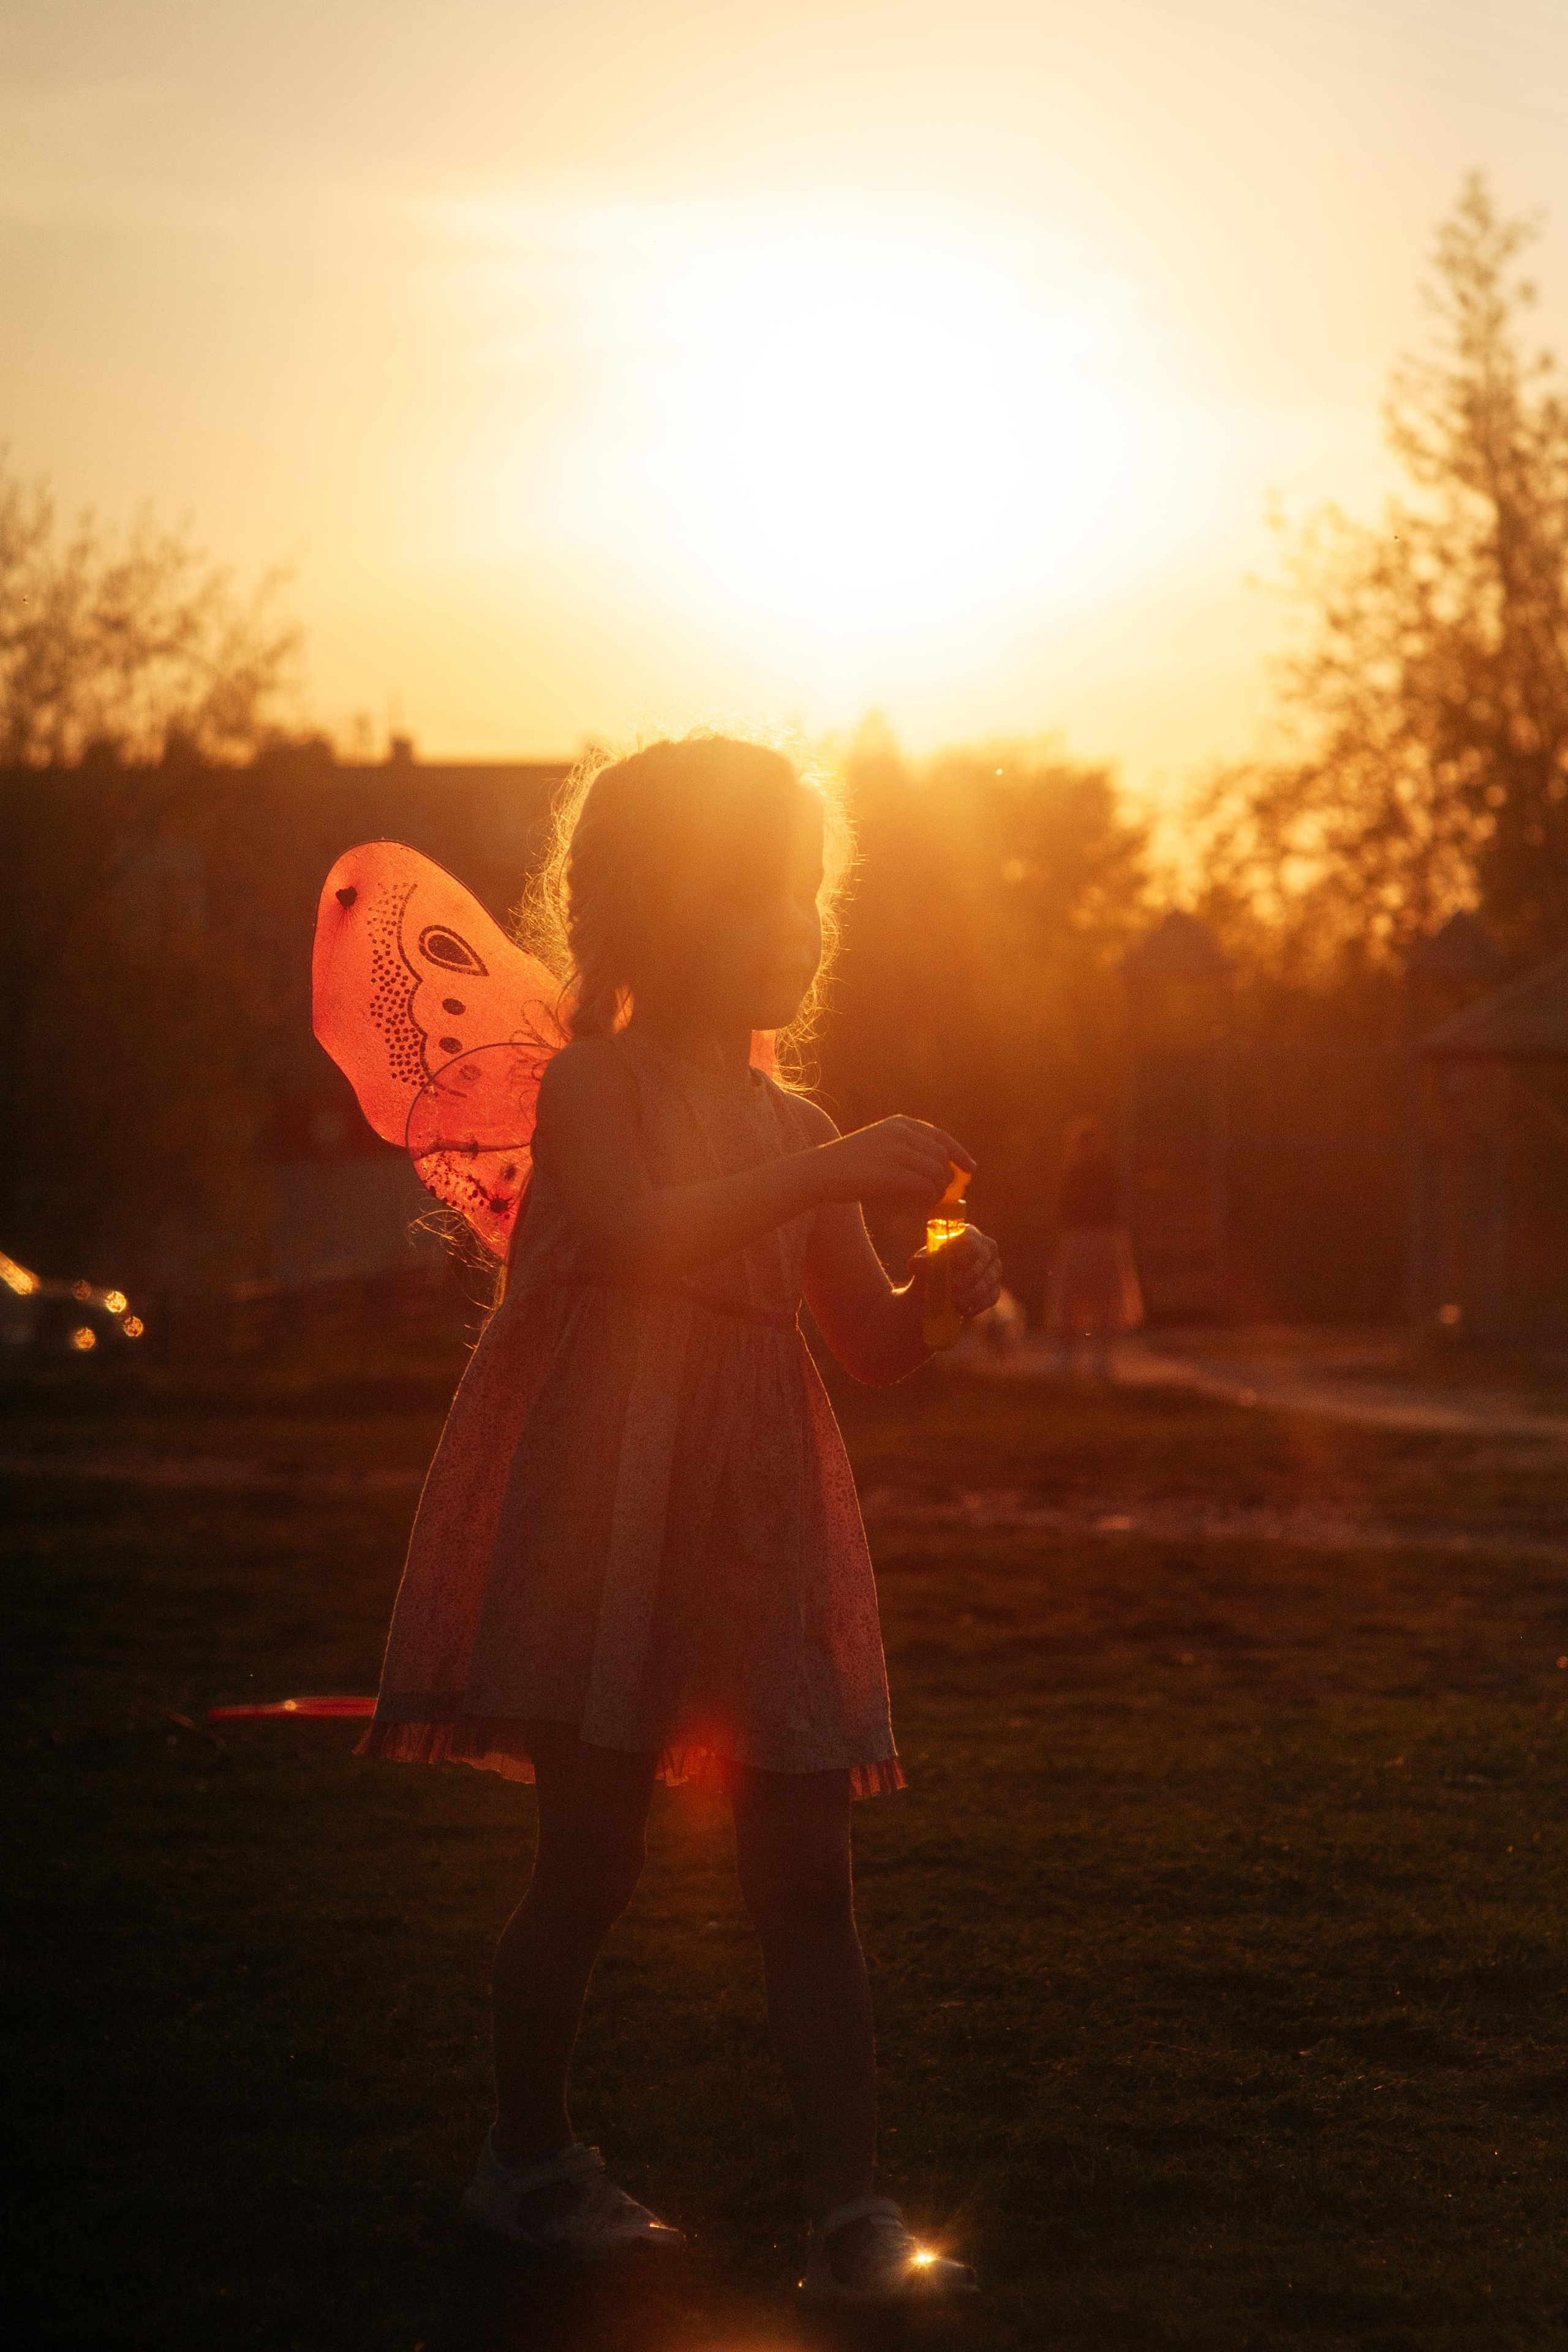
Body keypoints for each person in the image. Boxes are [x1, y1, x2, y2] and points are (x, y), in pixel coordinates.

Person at [358, 735, 1001, 2299]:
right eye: (760, 892)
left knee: (805, 1864)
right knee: (588, 1861)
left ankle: (847, 2210)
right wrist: (829, 1166)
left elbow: (863, 1345)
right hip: (610, 1509)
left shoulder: (798, 1129)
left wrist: (942, 1299)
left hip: (759, 1518)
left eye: (807, 892)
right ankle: (524, 2161)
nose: (799, 924)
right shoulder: (592, 1083)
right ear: (655, 909)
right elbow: (643, 1240)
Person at [1044, 1112, 1143, 1380]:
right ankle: (1070, 1354)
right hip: (1080, 1239)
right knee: (1072, 1299)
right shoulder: (1076, 1172)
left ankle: (1100, 1357)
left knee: (1103, 1302)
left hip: (1099, 1238)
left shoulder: (1103, 1172)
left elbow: (1111, 1210)